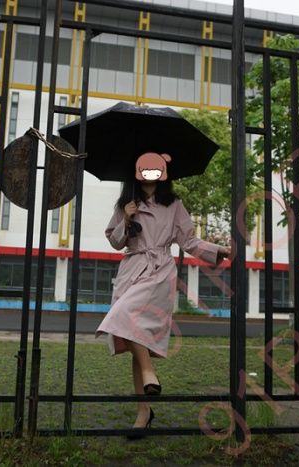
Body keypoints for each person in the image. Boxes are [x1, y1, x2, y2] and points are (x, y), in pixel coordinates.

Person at [95, 152, 231, 437]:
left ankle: (148, 376)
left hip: (158, 272)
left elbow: (188, 241)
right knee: (133, 332)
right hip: (132, 270)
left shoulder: (174, 204)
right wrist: (126, 218)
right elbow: (115, 242)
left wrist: (218, 250)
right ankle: (143, 412)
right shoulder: (125, 204)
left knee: (125, 318)